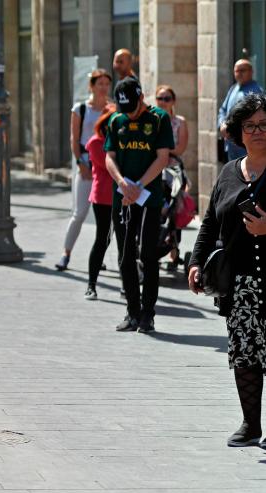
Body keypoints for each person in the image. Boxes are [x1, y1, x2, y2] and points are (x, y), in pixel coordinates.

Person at [189, 93, 266, 449]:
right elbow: (210, 223)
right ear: (237, 133)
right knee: (245, 353)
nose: (257, 132)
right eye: (249, 126)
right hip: (240, 284)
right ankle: (250, 424)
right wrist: (196, 262)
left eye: (264, 125)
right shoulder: (229, 173)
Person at [104, 77, 173, 333]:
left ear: (141, 98)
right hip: (122, 197)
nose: (129, 114)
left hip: (149, 197)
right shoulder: (115, 120)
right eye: (125, 109)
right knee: (125, 256)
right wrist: (123, 183)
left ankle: (148, 314)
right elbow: (109, 157)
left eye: (132, 107)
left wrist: (139, 186)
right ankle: (132, 312)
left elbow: (162, 157)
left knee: (147, 254)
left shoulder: (158, 119)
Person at [55, 69, 113, 270]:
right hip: (87, 166)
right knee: (79, 213)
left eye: (107, 83)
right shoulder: (80, 109)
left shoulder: (112, 109)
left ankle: (99, 256)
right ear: (92, 86)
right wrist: (80, 163)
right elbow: (75, 137)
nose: (104, 88)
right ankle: (66, 253)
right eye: (100, 84)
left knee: (106, 221)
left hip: (107, 169)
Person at [83, 105, 118, 300]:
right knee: (102, 239)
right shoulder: (96, 142)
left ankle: (126, 287)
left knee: (124, 242)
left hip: (122, 196)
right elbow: (107, 165)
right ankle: (91, 284)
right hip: (103, 197)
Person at [219, 60, 263, 162]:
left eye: (242, 70)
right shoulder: (233, 89)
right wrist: (222, 124)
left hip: (246, 146)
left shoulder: (256, 91)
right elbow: (223, 110)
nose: (239, 74)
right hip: (230, 146)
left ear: (251, 72)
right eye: (236, 71)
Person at [154, 85, 188, 159]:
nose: (163, 102)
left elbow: (180, 150)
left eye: (167, 99)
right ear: (156, 100)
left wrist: (159, 148)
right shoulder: (149, 120)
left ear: (173, 101)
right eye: (160, 98)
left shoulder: (180, 122)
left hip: (172, 167)